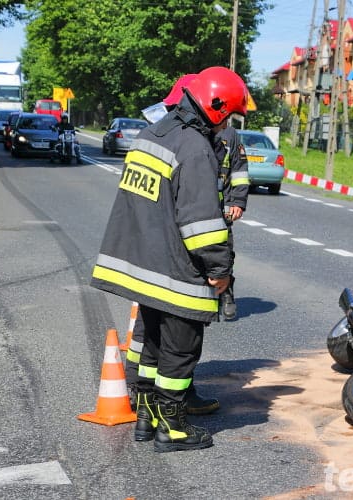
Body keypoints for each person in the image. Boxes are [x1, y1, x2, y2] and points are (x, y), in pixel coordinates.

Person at [91, 66, 248, 452]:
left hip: (142, 262)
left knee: (152, 346)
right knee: (180, 351)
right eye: (228, 114)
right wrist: (220, 270)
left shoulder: (153, 133)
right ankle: (173, 428)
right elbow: (201, 224)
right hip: (175, 270)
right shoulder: (194, 147)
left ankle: (146, 417)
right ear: (215, 106)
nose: (228, 122)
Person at [215, 124, 249, 320]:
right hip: (197, 203)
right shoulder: (193, 130)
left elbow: (239, 169)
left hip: (223, 206)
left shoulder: (230, 135)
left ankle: (226, 293)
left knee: (224, 252)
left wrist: (237, 201)